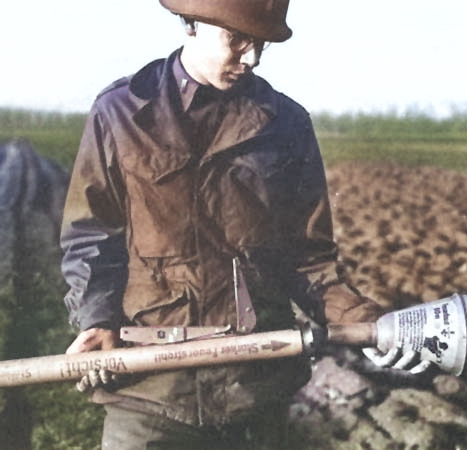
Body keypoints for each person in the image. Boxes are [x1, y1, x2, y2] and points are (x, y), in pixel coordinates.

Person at [60, 1, 427, 448]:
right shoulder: (120, 113)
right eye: (237, 40)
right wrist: (96, 320)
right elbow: (93, 236)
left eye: (260, 45)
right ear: (192, 25)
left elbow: (309, 260)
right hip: (147, 389)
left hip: (252, 393)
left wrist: (367, 323)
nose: (251, 58)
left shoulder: (286, 125)